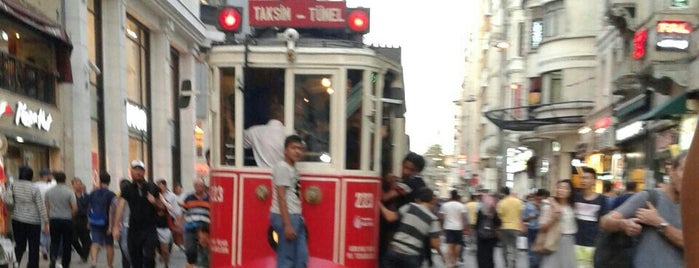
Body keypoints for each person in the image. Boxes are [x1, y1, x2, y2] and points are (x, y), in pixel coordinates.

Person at [600, 152, 685, 267]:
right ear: (671, 171)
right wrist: (623, 224)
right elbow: (605, 222)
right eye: (683, 170)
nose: (689, 176)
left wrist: (658, 222)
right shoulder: (649, 197)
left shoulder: (693, 208)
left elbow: (690, 244)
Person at [113, 160, 162, 268]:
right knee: (136, 260)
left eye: (140, 170)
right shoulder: (127, 188)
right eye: (135, 170)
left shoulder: (152, 187)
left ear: (144, 172)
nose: (138, 172)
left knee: (148, 256)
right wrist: (116, 226)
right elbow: (120, 206)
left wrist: (154, 201)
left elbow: (161, 207)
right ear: (131, 172)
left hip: (149, 228)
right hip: (134, 230)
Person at [379, 187, 444, 268]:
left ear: (418, 199)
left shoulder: (410, 207)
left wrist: (379, 204)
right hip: (411, 257)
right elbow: (434, 244)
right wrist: (441, 255)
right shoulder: (433, 219)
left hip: (395, 251)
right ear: (432, 200)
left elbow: (390, 217)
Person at [269, 135, 307, 268]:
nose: (297, 151)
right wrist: (287, 224)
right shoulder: (282, 167)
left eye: (300, 149)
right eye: (293, 148)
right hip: (286, 217)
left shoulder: (292, 168)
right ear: (285, 150)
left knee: (301, 257)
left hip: (294, 216)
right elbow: (281, 196)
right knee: (287, 258)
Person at [2, 166, 49, 268]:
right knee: (33, 246)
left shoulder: (13, 185)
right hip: (33, 221)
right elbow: (40, 206)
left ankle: (14, 263)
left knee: (19, 245)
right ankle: (32, 266)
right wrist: (46, 221)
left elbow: (7, 198)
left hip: (17, 219)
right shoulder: (34, 188)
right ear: (31, 176)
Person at [573, 167, 607, 268]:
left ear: (593, 181)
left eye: (587, 178)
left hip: (593, 244)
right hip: (575, 242)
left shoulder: (602, 200)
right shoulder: (575, 198)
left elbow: (603, 223)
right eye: (582, 178)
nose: (583, 180)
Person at [539, 179, 577, 268]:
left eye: (565, 188)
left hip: (569, 241)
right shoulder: (548, 205)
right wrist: (553, 218)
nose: (561, 190)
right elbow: (542, 227)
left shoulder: (572, 206)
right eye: (559, 187)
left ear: (570, 191)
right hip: (554, 240)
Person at [45, 172, 77, 268]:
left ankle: (53, 258)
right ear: (65, 179)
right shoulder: (69, 192)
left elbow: (47, 207)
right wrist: (70, 215)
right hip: (67, 219)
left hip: (54, 219)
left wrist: (47, 219)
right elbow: (75, 208)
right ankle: (65, 263)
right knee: (67, 242)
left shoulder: (49, 192)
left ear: (55, 179)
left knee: (54, 241)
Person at [87, 172, 117, 268]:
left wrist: (88, 221)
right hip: (108, 222)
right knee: (109, 244)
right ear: (109, 182)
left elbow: (89, 207)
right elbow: (114, 210)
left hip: (94, 221)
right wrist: (113, 226)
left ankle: (94, 261)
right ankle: (109, 265)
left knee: (95, 242)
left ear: (100, 181)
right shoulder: (111, 194)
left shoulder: (93, 193)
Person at [179, 178, 210, 268]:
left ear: (204, 186)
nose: (198, 187)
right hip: (190, 228)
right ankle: (191, 264)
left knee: (205, 252)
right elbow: (183, 212)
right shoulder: (189, 198)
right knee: (190, 250)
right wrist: (179, 224)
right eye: (196, 185)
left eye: (200, 185)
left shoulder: (209, 198)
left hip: (204, 229)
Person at [496, 186, 523, 268]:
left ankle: (506, 264)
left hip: (504, 227)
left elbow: (499, 216)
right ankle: (514, 263)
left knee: (504, 247)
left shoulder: (501, 203)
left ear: (503, 193)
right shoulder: (518, 201)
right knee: (514, 246)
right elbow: (520, 213)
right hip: (515, 227)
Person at [155, 179, 180, 267]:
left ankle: (166, 264)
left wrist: (177, 222)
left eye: (160, 186)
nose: (159, 188)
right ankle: (160, 254)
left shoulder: (171, 197)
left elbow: (173, 209)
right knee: (156, 246)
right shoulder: (153, 198)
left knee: (165, 248)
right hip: (155, 225)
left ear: (165, 186)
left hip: (166, 224)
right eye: (158, 186)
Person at [439, 189, 467, 267]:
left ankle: (450, 263)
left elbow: (441, 217)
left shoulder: (445, 205)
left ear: (450, 196)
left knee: (449, 245)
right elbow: (463, 218)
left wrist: (441, 227)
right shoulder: (461, 205)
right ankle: (455, 261)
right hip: (459, 227)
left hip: (448, 227)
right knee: (458, 245)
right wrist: (465, 228)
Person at [522, 189, 548, 268]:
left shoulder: (546, 206)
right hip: (531, 230)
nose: (541, 200)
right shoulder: (528, 205)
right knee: (532, 253)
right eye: (540, 199)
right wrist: (530, 217)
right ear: (536, 196)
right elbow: (523, 218)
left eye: (543, 199)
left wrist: (541, 209)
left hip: (542, 231)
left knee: (541, 255)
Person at [34, 168, 56, 260]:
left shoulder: (35, 185)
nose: (51, 176)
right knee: (48, 232)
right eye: (50, 175)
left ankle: (43, 247)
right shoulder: (50, 186)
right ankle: (46, 248)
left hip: (37, 211)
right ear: (45, 176)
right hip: (48, 211)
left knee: (41, 231)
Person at [475, 192, 500, 268]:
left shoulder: (480, 211)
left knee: (481, 254)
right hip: (491, 236)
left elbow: (477, 224)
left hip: (481, 236)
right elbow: (498, 223)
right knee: (489, 254)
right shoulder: (494, 212)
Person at [72, 179, 91, 263]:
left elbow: (90, 209)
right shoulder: (71, 196)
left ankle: (84, 257)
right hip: (73, 219)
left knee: (86, 240)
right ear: (72, 185)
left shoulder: (86, 196)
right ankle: (82, 253)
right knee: (73, 239)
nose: (78, 185)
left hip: (84, 219)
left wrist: (89, 221)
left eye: (80, 184)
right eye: (76, 184)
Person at [117, 178, 132, 268]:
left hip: (131, 226)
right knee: (124, 249)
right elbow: (113, 211)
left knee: (126, 248)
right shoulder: (117, 198)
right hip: (122, 227)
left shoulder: (134, 198)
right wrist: (114, 226)